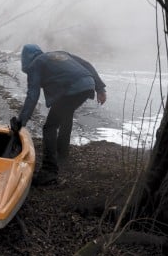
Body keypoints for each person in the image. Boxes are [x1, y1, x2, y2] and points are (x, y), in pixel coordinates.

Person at [13, 44, 106, 186]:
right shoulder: (59, 54)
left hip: (71, 89)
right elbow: (86, 64)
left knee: (49, 127)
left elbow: (33, 95)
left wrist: (21, 122)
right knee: (66, 114)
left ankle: (49, 171)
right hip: (87, 84)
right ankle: (62, 153)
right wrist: (100, 88)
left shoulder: (35, 64)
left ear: (26, 58)